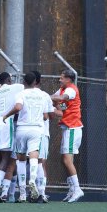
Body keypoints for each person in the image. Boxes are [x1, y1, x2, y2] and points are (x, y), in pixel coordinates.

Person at [3, 72, 49, 202]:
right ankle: (33, 180)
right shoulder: (42, 95)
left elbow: (18, 107)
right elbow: (46, 116)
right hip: (36, 129)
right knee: (35, 155)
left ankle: (22, 194)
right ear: (35, 82)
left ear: (24, 82)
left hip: (22, 128)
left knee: (21, 159)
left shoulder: (21, 94)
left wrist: (6, 116)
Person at [0, 72, 24, 202]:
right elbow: (26, 88)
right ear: (8, 79)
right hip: (6, 122)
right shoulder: (16, 87)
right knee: (6, 158)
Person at [51, 69, 84, 203]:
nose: (60, 80)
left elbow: (59, 98)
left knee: (67, 160)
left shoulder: (71, 90)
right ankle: (72, 189)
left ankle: (77, 189)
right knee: (64, 160)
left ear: (68, 79)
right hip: (67, 128)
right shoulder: (63, 89)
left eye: (62, 78)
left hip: (73, 128)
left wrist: (47, 98)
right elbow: (55, 97)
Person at [32, 70, 60, 203]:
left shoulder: (22, 94)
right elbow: (50, 115)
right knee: (41, 163)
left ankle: (35, 192)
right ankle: (40, 192)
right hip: (41, 132)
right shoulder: (44, 96)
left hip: (26, 132)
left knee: (28, 162)